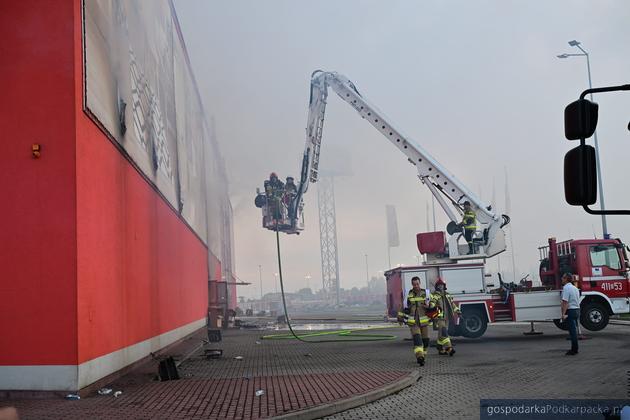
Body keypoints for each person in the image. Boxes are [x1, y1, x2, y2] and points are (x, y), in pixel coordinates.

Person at [397, 276, 435, 365]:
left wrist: (429, 305)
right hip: (413, 322)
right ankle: (419, 357)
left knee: (425, 341)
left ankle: (423, 354)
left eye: (417, 284)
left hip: (424, 322)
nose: (416, 286)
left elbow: (433, 302)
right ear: (412, 284)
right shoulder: (408, 295)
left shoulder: (426, 293)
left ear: (420, 283)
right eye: (414, 284)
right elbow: (402, 307)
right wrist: (400, 317)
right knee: (417, 339)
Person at [431, 278, 461, 356]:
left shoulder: (447, 294)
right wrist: (431, 306)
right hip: (439, 318)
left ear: (444, 286)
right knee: (444, 332)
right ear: (437, 286)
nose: (441, 287)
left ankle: (440, 348)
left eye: (442, 285)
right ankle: (449, 348)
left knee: (441, 333)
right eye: (439, 285)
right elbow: (432, 302)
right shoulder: (435, 295)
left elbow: (452, 304)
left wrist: (458, 311)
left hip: (447, 317)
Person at [561, 272, 580, 355]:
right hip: (577, 310)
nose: (562, 279)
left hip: (571, 311)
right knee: (574, 330)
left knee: (572, 332)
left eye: (563, 277)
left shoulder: (566, 288)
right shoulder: (575, 288)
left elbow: (565, 302)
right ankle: (575, 349)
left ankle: (574, 350)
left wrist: (563, 314)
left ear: (566, 279)